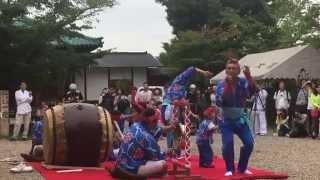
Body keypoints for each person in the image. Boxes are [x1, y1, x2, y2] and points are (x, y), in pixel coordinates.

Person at [216, 59, 255, 176]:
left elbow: (252, 91)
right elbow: (220, 101)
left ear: (238, 71)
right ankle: (229, 169)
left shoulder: (242, 82)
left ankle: (242, 168)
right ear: (226, 70)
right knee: (228, 144)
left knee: (249, 143)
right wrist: (228, 85)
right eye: (229, 68)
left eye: (234, 68)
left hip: (240, 119)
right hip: (226, 119)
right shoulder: (221, 84)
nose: (231, 70)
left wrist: (248, 75)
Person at [162, 67, 212, 154]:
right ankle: (171, 149)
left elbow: (183, 103)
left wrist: (192, 114)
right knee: (172, 129)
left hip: (176, 109)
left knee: (179, 129)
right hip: (169, 108)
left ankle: (177, 148)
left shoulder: (182, 88)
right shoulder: (179, 81)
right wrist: (204, 72)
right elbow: (192, 68)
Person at [111, 108, 167, 178]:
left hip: (119, 163)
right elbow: (157, 157)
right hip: (130, 169)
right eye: (156, 121)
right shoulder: (147, 137)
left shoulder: (134, 125)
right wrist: (166, 153)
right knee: (163, 164)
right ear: (154, 122)